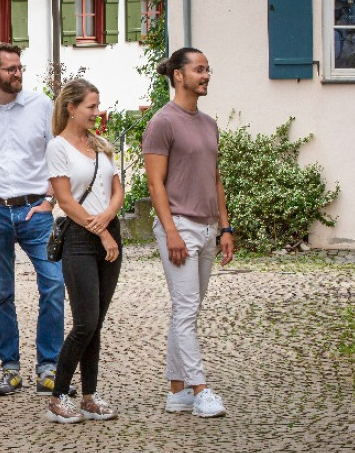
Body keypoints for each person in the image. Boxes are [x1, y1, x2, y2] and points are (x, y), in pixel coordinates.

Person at [142, 47, 235, 419]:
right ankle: (201, 389)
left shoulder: (208, 123)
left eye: (208, 70)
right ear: (178, 75)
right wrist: (170, 232)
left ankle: (177, 392)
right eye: (199, 69)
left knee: (188, 310)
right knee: (185, 309)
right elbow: (154, 183)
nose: (206, 75)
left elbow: (215, 179)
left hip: (208, 227)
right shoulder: (162, 122)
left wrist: (225, 227)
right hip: (178, 225)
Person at [0, 42, 69, 397]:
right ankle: (9, 368)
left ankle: (48, 366)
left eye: (19, 68)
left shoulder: (42, 106)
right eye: (10, 69)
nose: (17, 74)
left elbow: (58, 151)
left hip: (36, 212)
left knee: (53, 285)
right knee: (1, 293)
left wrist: (51, 199)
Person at [43, 79, 124, 423]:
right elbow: (65, 201)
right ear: (71, 108)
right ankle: (59, 396)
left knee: (96, 323)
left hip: (109, 230)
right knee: (84, 322)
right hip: (79, 236)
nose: (96, 112)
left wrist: (109, 218)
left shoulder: (101, 144)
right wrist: (103, 231)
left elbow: (118, 190)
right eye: (91, 106)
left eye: (98, 105)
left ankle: (89, 395)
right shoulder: (57, 147)